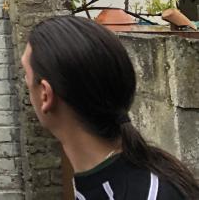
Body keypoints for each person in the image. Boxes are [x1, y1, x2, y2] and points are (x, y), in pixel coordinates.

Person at [23, 15, 199, 199]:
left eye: (26, 75)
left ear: (45, 94)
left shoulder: (150, 193)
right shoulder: (104, 177)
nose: (26, 83)